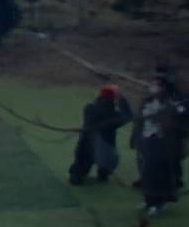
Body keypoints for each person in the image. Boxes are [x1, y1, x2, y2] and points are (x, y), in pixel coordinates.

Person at [131, 75, 182, 216]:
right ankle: (148, 200)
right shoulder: (146, 102)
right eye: (152, 84)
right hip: (145, 140)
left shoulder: (169, 105)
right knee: (145, 172)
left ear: (163, 88)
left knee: (158, 173)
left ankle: (158, 203)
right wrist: (135, 138)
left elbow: (170, 126)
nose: (152, 87)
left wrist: (159, 119)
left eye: (156, 85)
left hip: (160, 143)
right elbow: (138, 121)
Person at [69, 84, 133, 185]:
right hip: (104, 146)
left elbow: (97, 102)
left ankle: (77, 176)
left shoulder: (89, 108)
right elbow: (128, 116)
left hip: (86, 144)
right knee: (106, 159)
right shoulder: (114, 116)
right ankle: (103, 174)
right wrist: (121, 98)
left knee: (82, 159)